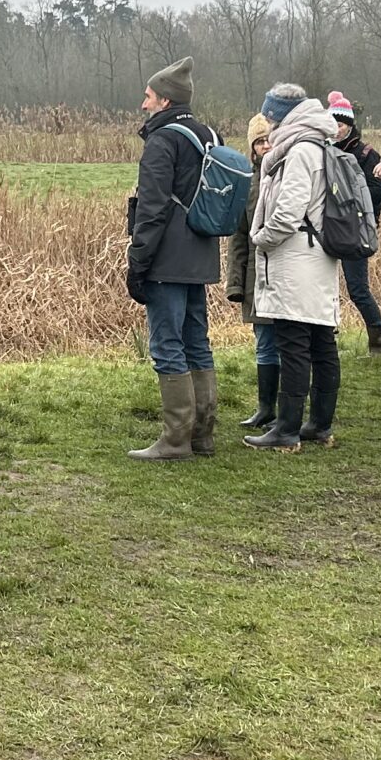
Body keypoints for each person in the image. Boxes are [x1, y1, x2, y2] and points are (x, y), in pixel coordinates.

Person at [125, 55, 226, 461]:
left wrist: (138, 261)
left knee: (167, 343)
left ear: (165, 101)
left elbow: (152, 210)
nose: (143, 104)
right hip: (201, 254)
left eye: (148, 96)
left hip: (167, 258)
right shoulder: (209, 136)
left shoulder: (163, 141)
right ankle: (202, 435)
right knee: (197, 342)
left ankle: (175, 440)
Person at [245, 92, 346, 450]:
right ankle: (319, 425)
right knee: (321, 343)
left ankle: (286, 430)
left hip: (296, 260)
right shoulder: (320, 144)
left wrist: (261, 238)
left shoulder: (300, 151)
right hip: (318, 257)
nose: (268, 127)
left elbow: (288, 212)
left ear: (282, 118)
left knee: (293, 345)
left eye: (270, 119)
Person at [222, 109, 279, 432]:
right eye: (259, 142)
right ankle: (266, 408)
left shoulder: (289, 175)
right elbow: (239, 237)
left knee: (289, 343)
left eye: (269, 139)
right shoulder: (246, 184)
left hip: (285, 273)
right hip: (256, 277)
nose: (265, 146)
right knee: (264, 342)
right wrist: (235, 283)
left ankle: (289, 408)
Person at [325, 91, 381, 354]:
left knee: (357, 289)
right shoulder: (324, 152)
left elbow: (377, 191)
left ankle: (378, 339)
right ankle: (327, 339)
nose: (336, 129)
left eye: (340, 124)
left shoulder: (367, 154)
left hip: (356, 229)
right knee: (325, 287)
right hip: (328, 227)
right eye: (332, 123)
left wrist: (344, 199)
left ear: (350, 126)